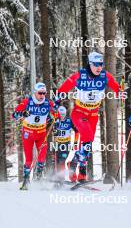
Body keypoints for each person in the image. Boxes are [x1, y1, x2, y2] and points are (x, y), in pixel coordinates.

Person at [54, 51, 120, 182]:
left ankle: (80, 173)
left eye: (100, 64)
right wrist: (57, 99)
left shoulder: (105, 76)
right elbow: (63, 88)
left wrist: (121, 92)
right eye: (95, 64)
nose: (98, 67)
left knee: (86, 144)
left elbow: (116, 87)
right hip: (79, 113)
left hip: (93, 115)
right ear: (89, 64)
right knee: (88, 137)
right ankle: (73, 165)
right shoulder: (80, 76)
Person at [13, 82, 55, 188]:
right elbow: (14, 115)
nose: (42, 96)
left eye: (44, 93)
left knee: (41, 158)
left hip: (41, 134)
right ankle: (26, 180)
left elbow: (56, 112)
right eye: (40, 93)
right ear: (35, 92)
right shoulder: (27, 102)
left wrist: (53, 116)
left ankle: (38, 176)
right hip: (28, 134)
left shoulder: (48, 103)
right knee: (29, 159)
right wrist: (22, 114)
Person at [53, 106, 79, 182]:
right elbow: (51, 130)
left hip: (66, 144)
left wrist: (75, 142)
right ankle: (58, 178)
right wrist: (54, 131)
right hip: (57, 144)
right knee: (56, 162)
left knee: (62, 160)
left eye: (63, 114)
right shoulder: (55, 121)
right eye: (60, 114)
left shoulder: (69, 120)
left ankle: (61, 179)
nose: (62, 116)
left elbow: (77, 131)